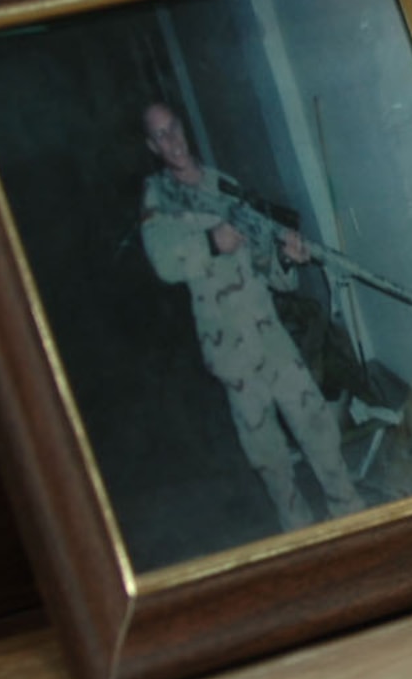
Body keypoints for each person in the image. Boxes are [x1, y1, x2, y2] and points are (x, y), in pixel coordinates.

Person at [139, 102, 365, 531]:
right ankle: (297, 530)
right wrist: (211, 241)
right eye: (161, 135)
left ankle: (349, 512)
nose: (173, 140)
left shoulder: (225, 185)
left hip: (271, 337)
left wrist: (288, 257)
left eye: (175, 128)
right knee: (268, 456)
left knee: (317, 426)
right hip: (230, 351)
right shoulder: (159, 197)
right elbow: (164, 262)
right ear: (152, 145)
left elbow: (271, 272)